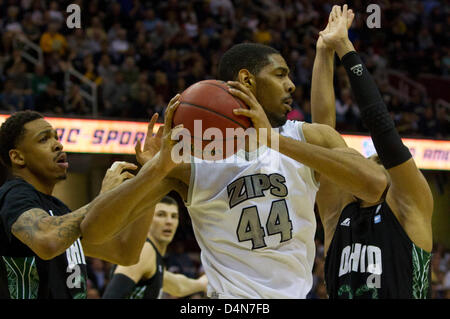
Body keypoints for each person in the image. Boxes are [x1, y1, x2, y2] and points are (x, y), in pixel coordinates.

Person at [138, 43, 388, 298]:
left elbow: (375, 185)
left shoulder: (305, 137)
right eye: (280, 74)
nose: (291, 84)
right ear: (247, 80)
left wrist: (272, 139)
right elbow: (108, 241)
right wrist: (154, 170)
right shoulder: (196, 158)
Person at [310, 5, 433, 298]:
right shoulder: (336, 213)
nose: (361, 165)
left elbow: (383, 131)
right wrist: (323, 51)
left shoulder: (409, 206)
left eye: (374, 162)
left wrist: (345, 47)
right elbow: (322, 135)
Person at [0, 105, 181, 298]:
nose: (58, 145)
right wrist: (103, 198)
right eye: (44, 139)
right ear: (18, 157)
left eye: (56, 137)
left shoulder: (59, 211)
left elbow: (125, 252)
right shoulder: (13, 196)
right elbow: (47, 241)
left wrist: (153, 174)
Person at [102, 196, 207, 299]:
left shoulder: (153, 258)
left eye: (174, 216)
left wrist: (202, 283)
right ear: (146, 219)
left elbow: (178, 285)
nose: (169, 221)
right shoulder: (145, 252)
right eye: (161, 215)